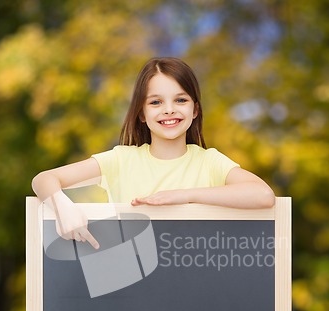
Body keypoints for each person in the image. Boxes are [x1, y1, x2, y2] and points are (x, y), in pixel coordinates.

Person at [32, 57, 275, 249]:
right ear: (141, 113)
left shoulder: (209, 161)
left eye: (180, 100)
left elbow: (263, 195)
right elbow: (43, 179)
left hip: (197, 285)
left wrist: (184, 196)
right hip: (132, 290)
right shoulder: (121, 160)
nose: (169, 110)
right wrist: (63, 207)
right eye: (156, 102)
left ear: (195, 110)